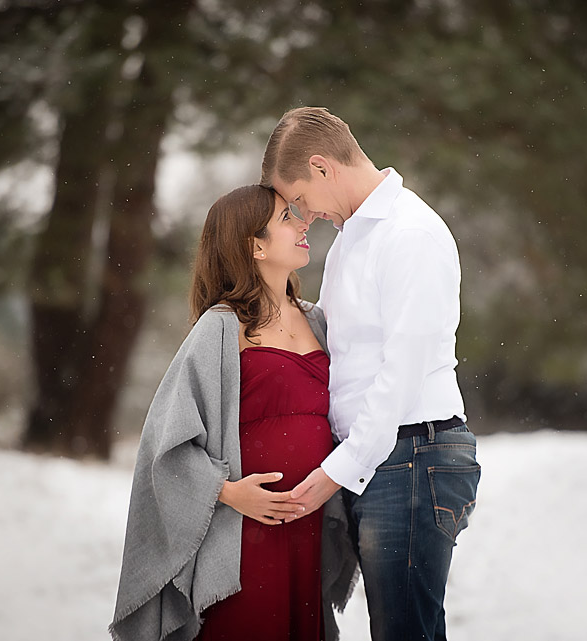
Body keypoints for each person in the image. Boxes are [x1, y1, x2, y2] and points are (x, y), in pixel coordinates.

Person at [261, 107, 482, 641]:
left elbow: (399, 373)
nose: (302, 214)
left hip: (412, 455)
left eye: (298, 198)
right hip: (381, 457)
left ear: (322, 168)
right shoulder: (351, 239)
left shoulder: (411, 233)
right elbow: (340, 346)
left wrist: (341, 468)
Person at [109, 185, 358, 641]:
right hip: (244, 535)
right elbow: (163, 443)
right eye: (288, 217)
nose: (304, 224)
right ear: (254, 245)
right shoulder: (221, 328)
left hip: (310, 524)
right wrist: (226, 493)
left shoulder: (319, 320)